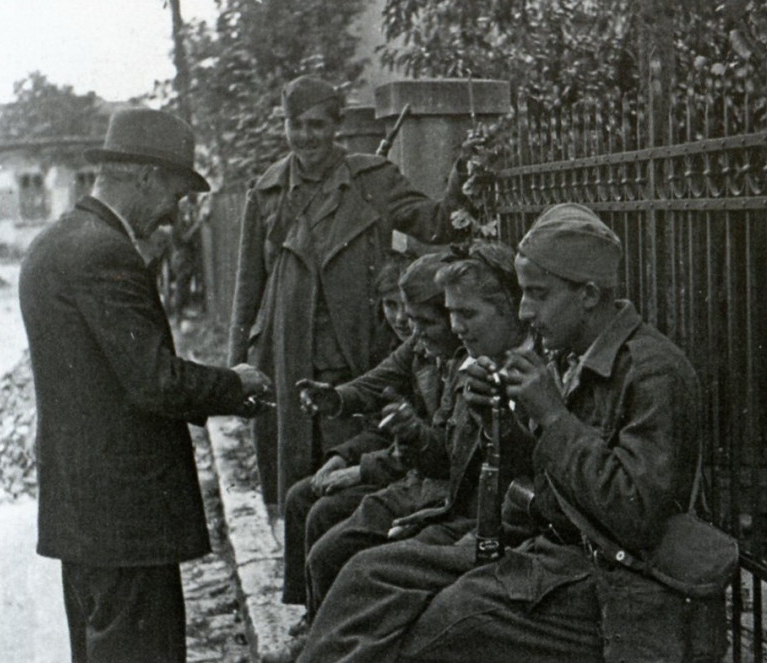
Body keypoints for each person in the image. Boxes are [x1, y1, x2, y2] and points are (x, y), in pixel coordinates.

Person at [297, 204, 720, 663]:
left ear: (589, 295)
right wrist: (495, 419)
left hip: (615, 576)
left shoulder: (653, 372)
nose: (524, 310)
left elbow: (636, 515)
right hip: (548, 547)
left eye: (537, 294)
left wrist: (554, 416)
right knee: (368, 574)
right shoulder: (571, 354)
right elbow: (542, 476)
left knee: (436, 627)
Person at [18, 108, 273, 663]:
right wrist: (235, 385)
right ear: (146, 177)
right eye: (176, 196)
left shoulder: (55, 242)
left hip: (84, 511)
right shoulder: (105, 252)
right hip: (126, 518)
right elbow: (154, 381)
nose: (173, 215)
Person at [227, 74, 473, 508]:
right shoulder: (266, 193)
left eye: (318, 125)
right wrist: (235, 372)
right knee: (299, 491)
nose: (306, 136)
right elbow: (248, 291)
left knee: (352, 486)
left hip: (357, 360)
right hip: (289, 365)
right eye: (296, 124)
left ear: (336, 127)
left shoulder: (372, 180)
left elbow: (434, 224)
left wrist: (463, 177)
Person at [297, 241, 537, 657]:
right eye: (453, 315)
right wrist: (410, 436)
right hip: (453, 511)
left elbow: (522, 470)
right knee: (345, 557)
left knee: (366, 573)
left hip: (492, 529)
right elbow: (446, 452)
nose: (457, 327)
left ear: (510, 310)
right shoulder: (472, 363)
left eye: (465, 314)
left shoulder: (529, 372)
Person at [280, 252, 458, 613]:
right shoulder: (420, 347)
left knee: (326, 523)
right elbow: (374, 390)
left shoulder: (463, 359)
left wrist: (360, 470)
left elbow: (442, 448)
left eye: (421, 319)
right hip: (411, 473)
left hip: (426, 483)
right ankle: (311, 621)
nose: (407, 327)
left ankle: (323, 630)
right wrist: (335, 404)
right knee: (302, 498)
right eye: (395, 310)